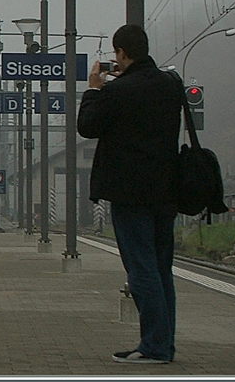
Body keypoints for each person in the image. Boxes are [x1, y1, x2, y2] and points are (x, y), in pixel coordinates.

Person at [78, 23, 183, 364]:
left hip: (129, 192)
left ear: (120, 53)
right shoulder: (171, 84)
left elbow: (87, 126)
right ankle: (164, 343)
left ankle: (154, 347)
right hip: (166, 190)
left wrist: (94, 90)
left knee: (141, 270)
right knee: (162, 269)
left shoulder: (117, 91)